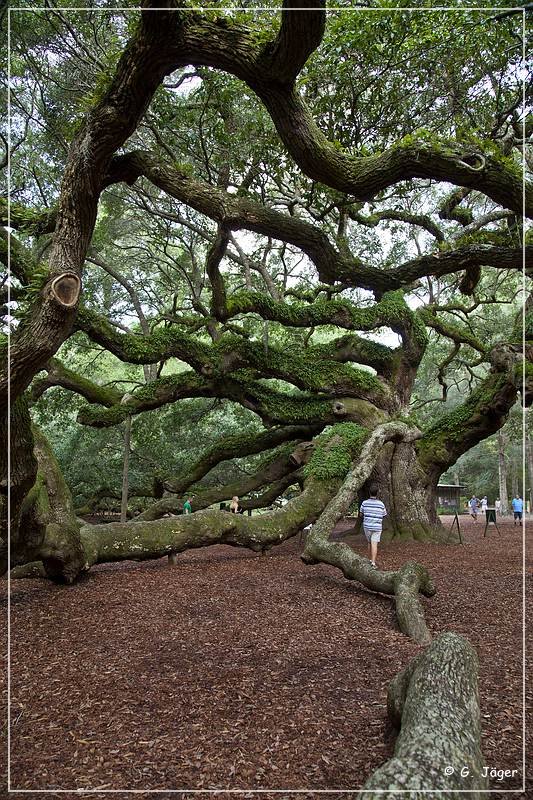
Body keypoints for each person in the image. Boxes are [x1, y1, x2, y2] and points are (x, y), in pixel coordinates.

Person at [359, 484, 387, 569]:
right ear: (377, 493)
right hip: (377, 527)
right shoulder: (381, 504)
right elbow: (384, 514)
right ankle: (373, 563)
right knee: (374, 544)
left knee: (369, 543)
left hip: (367, 526)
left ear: (369, 492)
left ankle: (369, 560)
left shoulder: (364, 503)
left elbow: (361, 514)